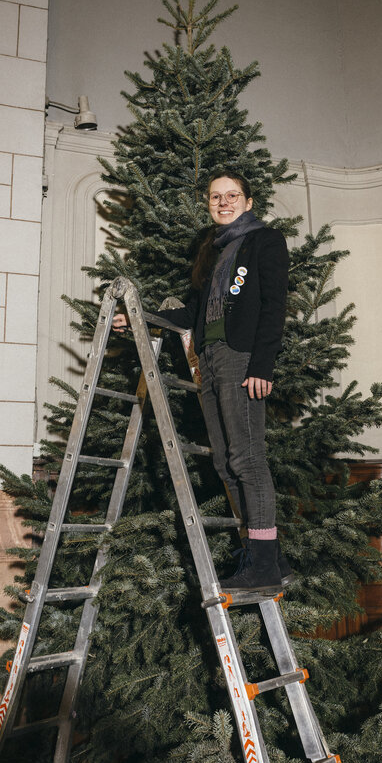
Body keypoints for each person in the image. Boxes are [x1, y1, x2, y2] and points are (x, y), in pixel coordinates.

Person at [113, 171, 291, 594]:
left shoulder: (264, 241)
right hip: (209, 359)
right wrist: (141, 320)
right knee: (225, 462)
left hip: (241, 358)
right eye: (216, 196)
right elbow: (193, 313)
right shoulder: (211, 252)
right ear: (208, 203)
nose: (224, 202)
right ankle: (267, 556)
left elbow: (273, 306)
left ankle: (263, 563)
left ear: (249, 202)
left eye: (233, 196)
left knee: (247, 459)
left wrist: (262, 366)